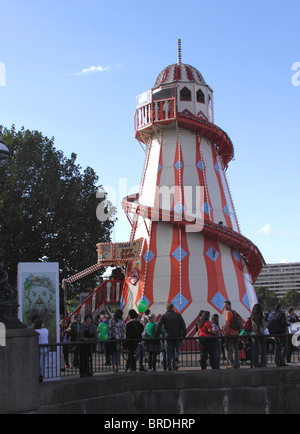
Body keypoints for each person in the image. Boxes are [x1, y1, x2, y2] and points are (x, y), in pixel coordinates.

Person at [156, 303, 187, 371]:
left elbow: (158, 326)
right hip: (177, 336)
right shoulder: (178, 315)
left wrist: (157, 335)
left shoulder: (164, 316)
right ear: (173, 308)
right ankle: (175, 365)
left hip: (168, 336)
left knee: (168, 352)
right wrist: (183, 336)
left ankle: (169, 366)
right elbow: (183, 326)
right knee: (176, 351)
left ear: (166, 308)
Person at [223, 300, 240, 369]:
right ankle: (236, 364)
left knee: (228, 350)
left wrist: (226, 334)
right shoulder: (234, 312)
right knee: (235, 350)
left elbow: (227, 323)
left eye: (225, 305)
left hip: (230, 333)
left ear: (229, 305)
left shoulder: (228, 312)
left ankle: (231, 364)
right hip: (236, 333)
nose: (224, 307)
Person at [250, 304, 267, 368]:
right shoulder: (261, 316)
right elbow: (263, 325)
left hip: (254, 334)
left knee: (255, 350)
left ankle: (255, 363)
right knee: (263, 349)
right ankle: (263, 363)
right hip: (261, 334)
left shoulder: (252, 317)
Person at [34, 318, 49, 383]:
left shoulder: (35, 331)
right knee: (43, 362)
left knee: (39, 362)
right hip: (45, 348)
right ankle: (41, 375)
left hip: (38, 349)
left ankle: (38, 375)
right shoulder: (45, 330)